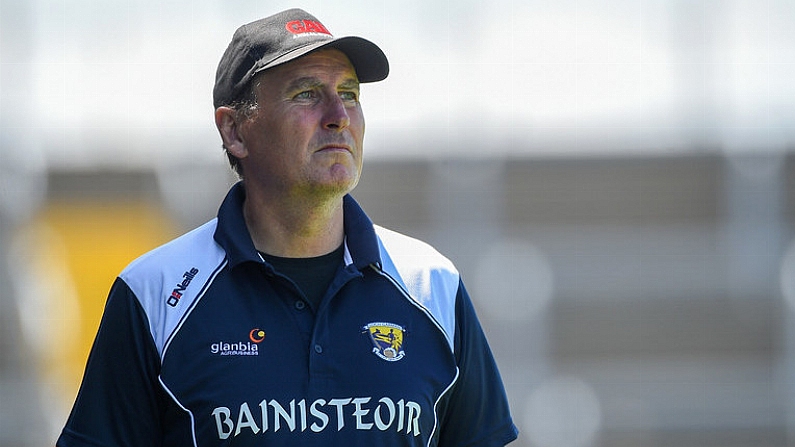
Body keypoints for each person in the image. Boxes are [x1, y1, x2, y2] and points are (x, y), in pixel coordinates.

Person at [56, 8, 518, 447]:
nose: (339, 114)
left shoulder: (432, 285)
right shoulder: (153, 294)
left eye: (351, 94)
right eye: (307, 94)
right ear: (234, 131)